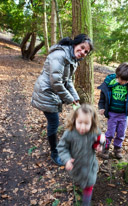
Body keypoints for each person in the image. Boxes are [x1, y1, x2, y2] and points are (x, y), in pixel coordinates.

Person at [31, 34, 93, 166]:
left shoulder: (72, 59)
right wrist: (70, 99)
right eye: (82, 48)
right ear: (75, 44)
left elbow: (68, 80)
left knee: (54, 122)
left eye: (86, 52)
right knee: (54, 123)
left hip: (53, 93)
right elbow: (56, 83)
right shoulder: (60, 55)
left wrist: (75, 97)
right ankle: (54, 153)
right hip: (46, 92)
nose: (82, 52)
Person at [57, 104, 104, 206]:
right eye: (80, 122)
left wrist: (100, 146)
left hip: (89, 165)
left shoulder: (94, 132)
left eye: (87, 123)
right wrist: (67, 159)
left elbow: (100, 141)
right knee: (78, 179)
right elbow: (62, 147)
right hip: (76, 165)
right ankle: (79, 185)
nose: (83, 127)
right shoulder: (70, 133)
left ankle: (86, 203)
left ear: (92, 123)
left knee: (89, 184)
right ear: (74, 120)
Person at [98, 62, 128, 159]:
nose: (123, 82)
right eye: (121, 79)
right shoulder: (110, 82)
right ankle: (105, 148)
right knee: (110, 133)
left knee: (121, 133)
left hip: (124, 114)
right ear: (117, 75)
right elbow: (103, 96)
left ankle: (117, 149)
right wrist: (101, 107)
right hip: (112, 114)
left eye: (126, 80)